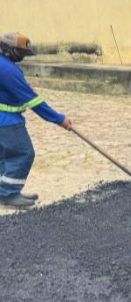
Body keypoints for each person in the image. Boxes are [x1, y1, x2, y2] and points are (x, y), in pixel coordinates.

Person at [0, 32, 71, 208]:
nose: (23, 57)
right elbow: (33, 101)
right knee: (23, 153)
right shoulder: (9, 70)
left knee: (5, 156)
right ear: (9, 50)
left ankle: (5, 189)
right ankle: (9, 194)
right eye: (21, 52)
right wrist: (59, 119)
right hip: (7, 121)